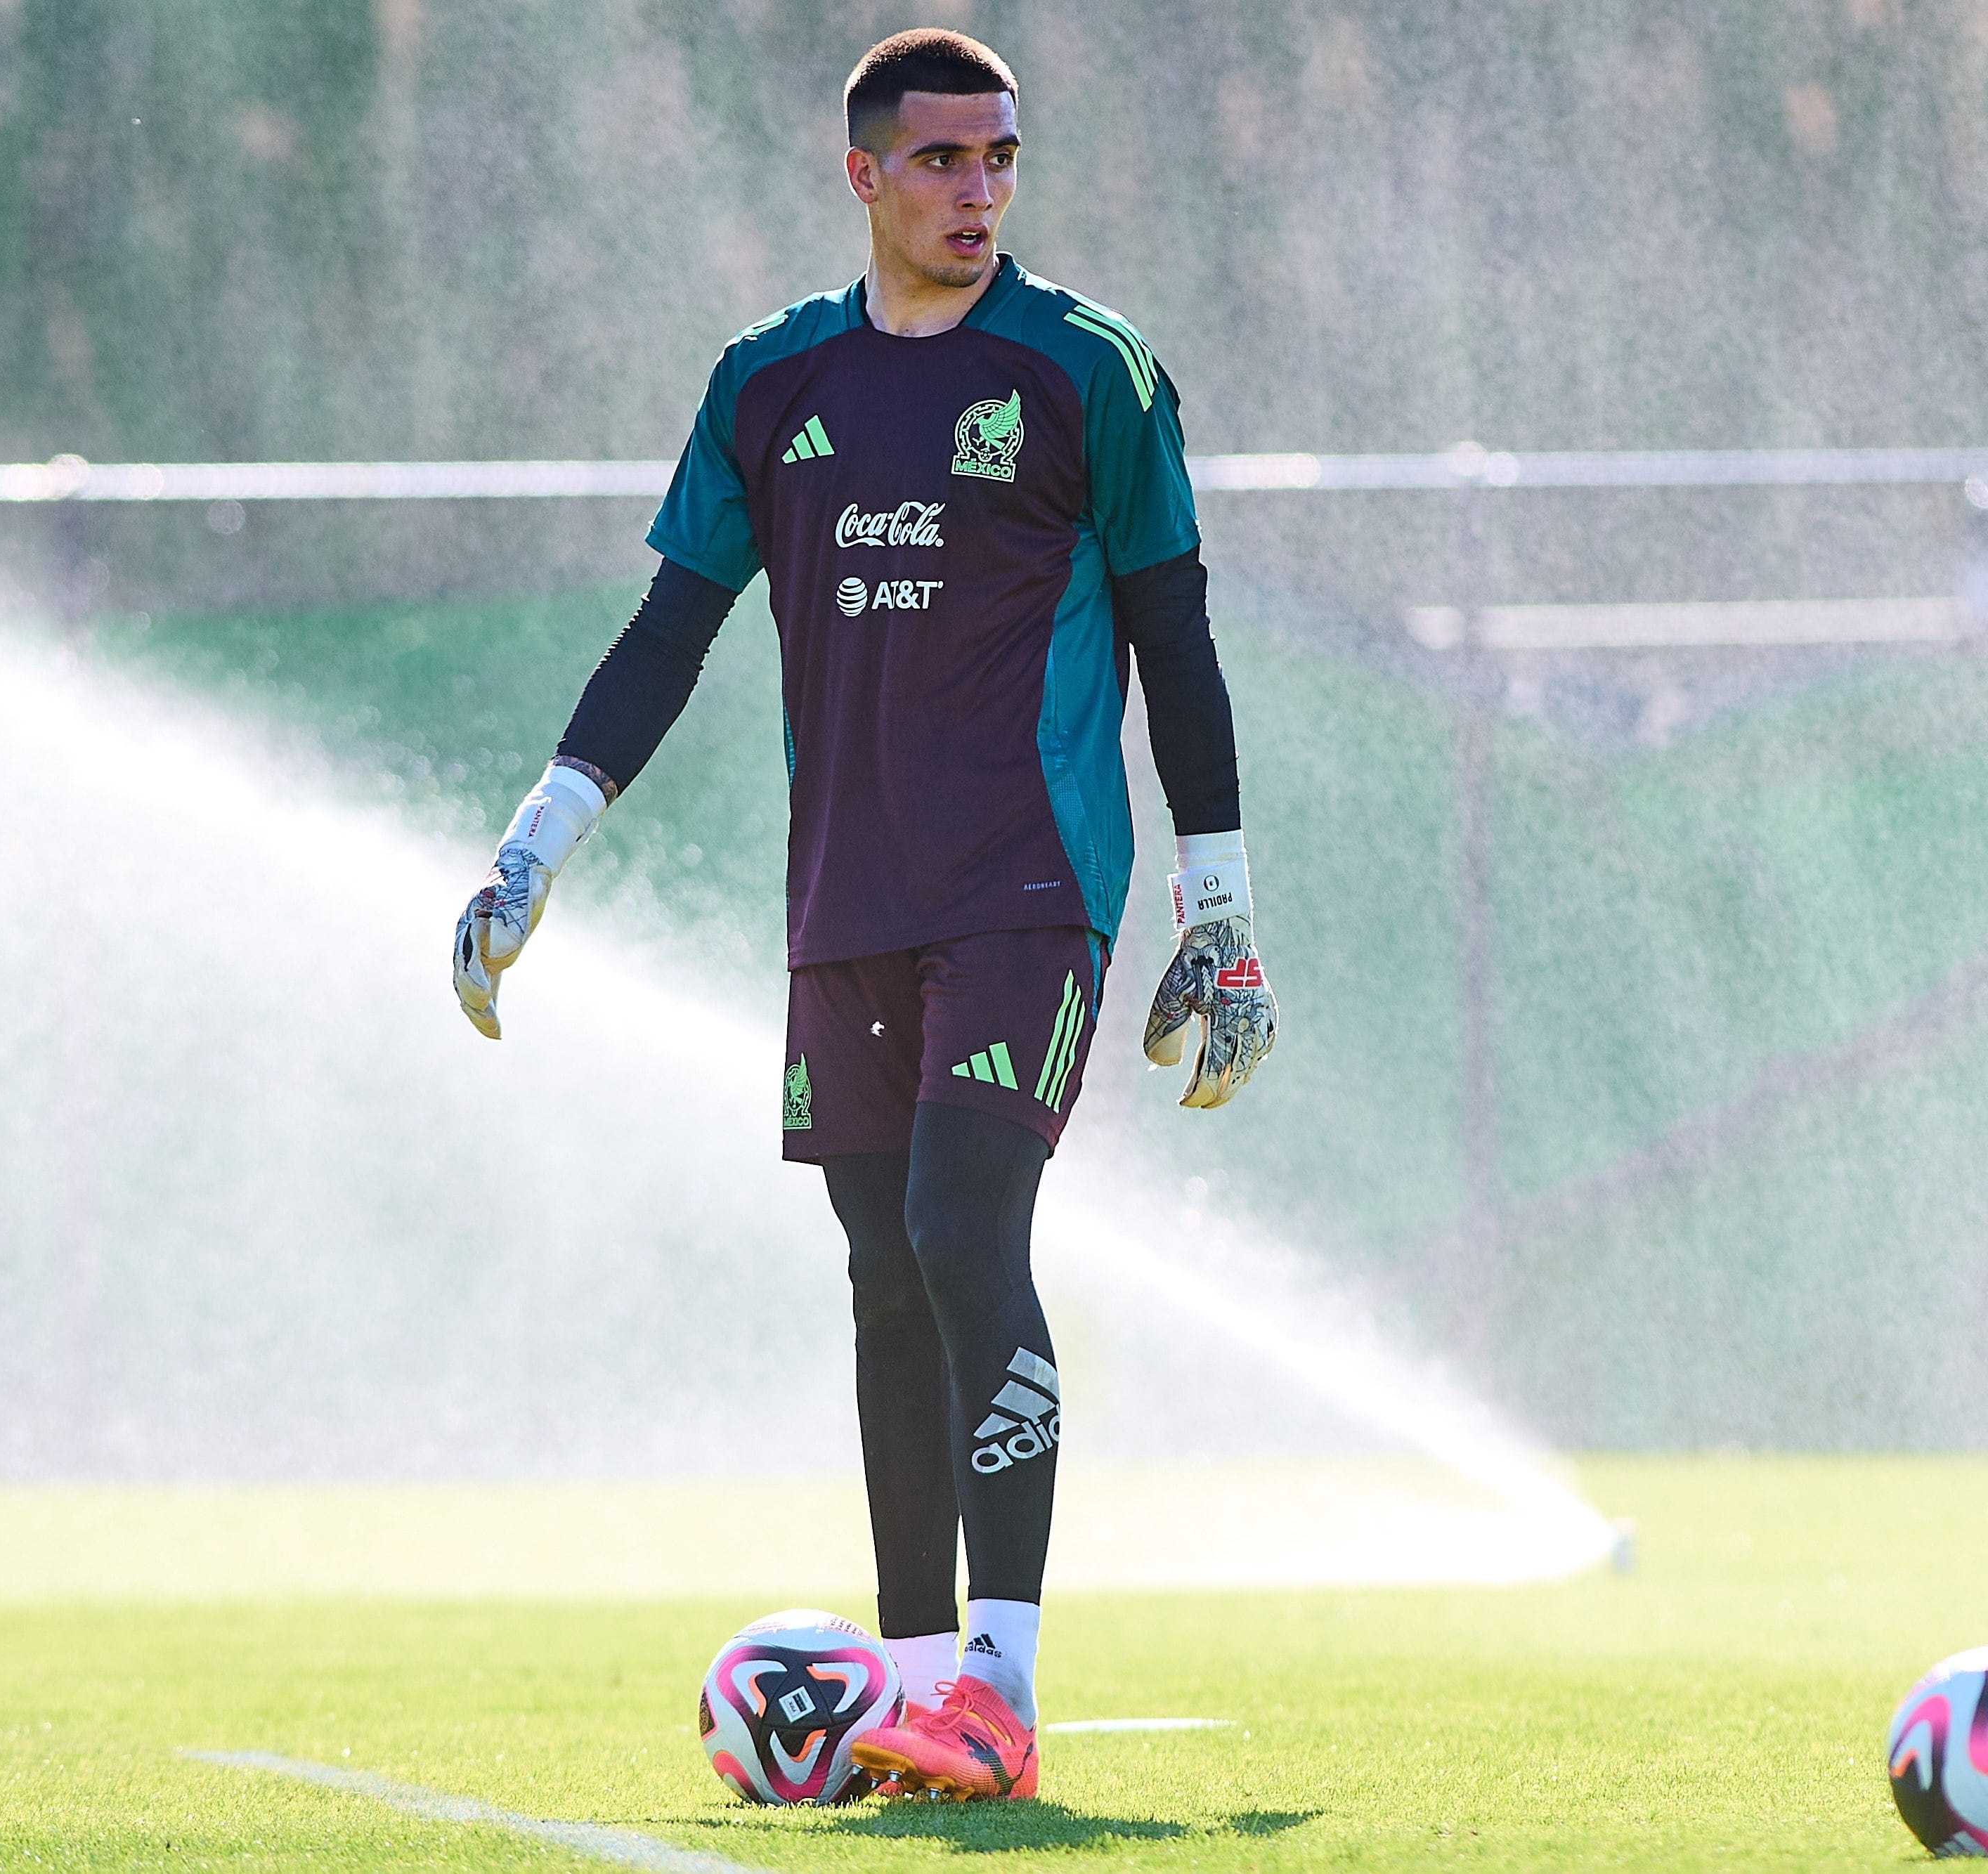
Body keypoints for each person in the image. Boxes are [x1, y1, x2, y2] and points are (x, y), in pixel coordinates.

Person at [451, 27, 1274, 1803]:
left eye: (1000, 159)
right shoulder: (768, 384)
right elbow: (667, 632)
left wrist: (1220, 906)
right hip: (844, 901)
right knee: (882, 1275)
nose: (978, 190)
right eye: (941, 162)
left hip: (1030, 887)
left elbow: (1175, 638)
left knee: (963, 1224)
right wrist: (537, 841)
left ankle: (1001, 1675)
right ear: (863, 177)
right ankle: (912, 1693)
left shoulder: (1088, 370)